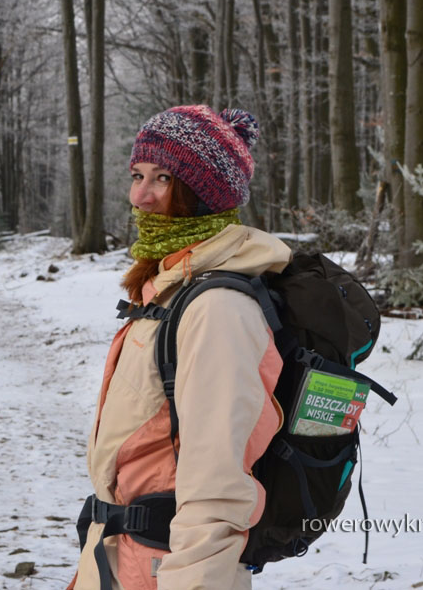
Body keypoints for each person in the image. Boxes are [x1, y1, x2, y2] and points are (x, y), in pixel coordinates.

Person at [69, 105, 293, 590]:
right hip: (123, 557)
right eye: (136, 175)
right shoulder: (169, 288)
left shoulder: (218, 311)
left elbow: (217, 488)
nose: (140, 196)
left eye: (162, 178)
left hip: (166, 568)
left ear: (202, 194)